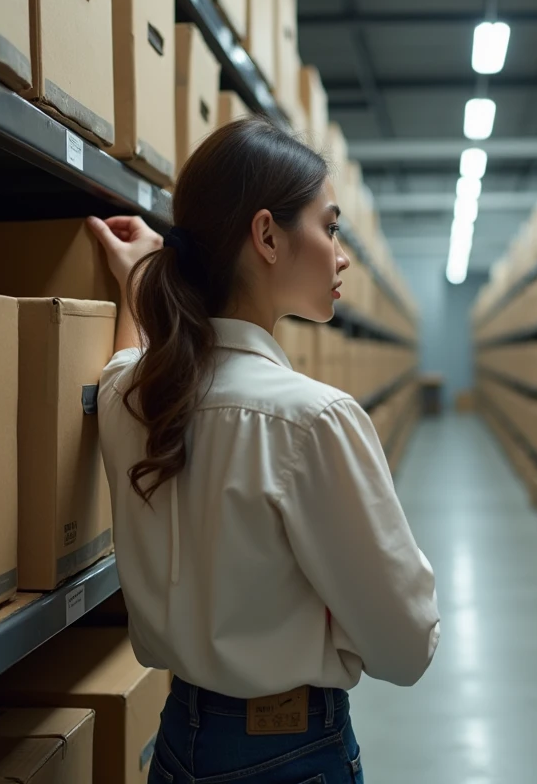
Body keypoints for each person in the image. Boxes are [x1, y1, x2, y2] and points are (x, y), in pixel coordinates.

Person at [89, 117, 440, 784]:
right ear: (268, 236)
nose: (341, 255)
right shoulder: (314, 420)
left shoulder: (130, 400)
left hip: (179, 746)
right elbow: (408, 645)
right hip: (292, 755)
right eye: (330, 226)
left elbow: (127, 360)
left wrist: (134, 281)